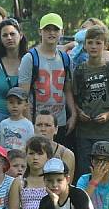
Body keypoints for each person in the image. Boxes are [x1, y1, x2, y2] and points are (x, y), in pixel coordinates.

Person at [72, 25, 109, 176]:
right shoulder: (79, 70)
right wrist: (79, 112)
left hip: (107, 131)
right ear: (84, 45)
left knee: (106, 175)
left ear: (105, 45)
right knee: (85, 174)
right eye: (90, 42)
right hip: (84, 132)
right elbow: (73, 100)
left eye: (98, 43)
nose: (94, 46)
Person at [18, 13, 76, 145]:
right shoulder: (30, 58)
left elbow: (67, 90)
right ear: (40, 31)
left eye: (55, 29)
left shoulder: (66, 58)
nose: (51, 33)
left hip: (58, 122)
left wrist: (73, 114)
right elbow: (23, 95)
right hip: (37, 122)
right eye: (47, 29)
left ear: (62, 32)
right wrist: (29, 124)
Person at [0, 18, 27, 133]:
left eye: (12, 34)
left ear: (20, 35)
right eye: (5, 35)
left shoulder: (29, 61)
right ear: (0, 39)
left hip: (24, 116)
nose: (9, 38)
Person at [33, 110, 75, 180]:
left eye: (47, 125)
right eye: (39, 125)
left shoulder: (66, 154)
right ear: (34, 128)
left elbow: (67, 185)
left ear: (56, 129)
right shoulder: (25, 151)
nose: (43, 129)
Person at [0, 87, 34, 151]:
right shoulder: (3, 123)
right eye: (11, 102)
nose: (15, 106)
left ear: (25, 106)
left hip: (20, 158)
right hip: (5, 158)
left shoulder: (28, 124)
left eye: (19, 103)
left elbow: (31, 144)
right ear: (6, 104)